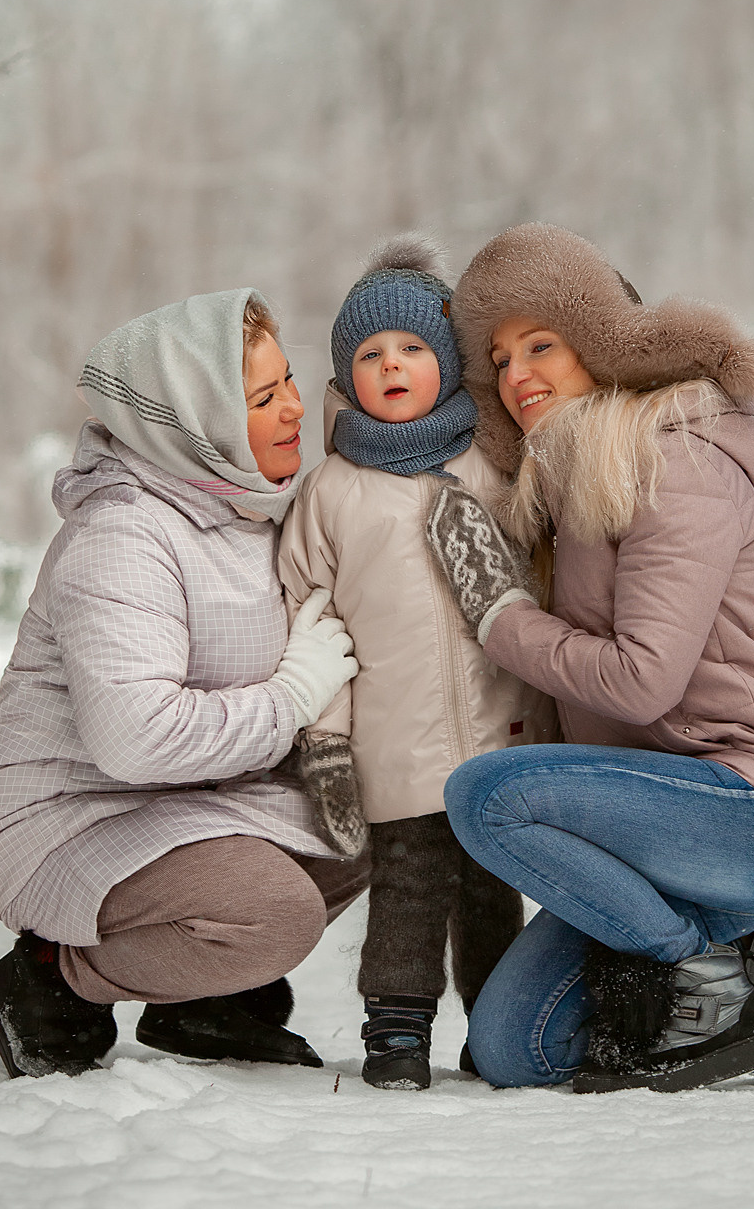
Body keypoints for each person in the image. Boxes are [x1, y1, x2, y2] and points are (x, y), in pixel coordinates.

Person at [426, 223, 754, 1094]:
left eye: (540, 345)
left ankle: (701, 975)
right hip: (655, 830)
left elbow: (640, 678)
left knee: (486, 797)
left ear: (603, 344)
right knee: (517, 1049)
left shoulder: (672, 459)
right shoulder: (565, 485)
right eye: (499, 360)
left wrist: (501, 617)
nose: (516, 377)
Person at [0, 289, 363, 1078]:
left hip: (191, 796)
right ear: (192, 420)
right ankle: (51, 980)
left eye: (288, 383)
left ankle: (202, 1006)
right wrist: (289, 698)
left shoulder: (255, 507)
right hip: (65, 812)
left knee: (367, 820)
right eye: (259, 397)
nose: (293, 411)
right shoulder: (124, 536)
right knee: (273, 913)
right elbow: (135, 737)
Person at [278, 237, 555, 1089]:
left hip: (499, 742)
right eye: (368, 354)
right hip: (394, 751)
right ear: (344, 374)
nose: (391, 365)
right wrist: (325, 743)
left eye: (410, 349)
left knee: (490, 898)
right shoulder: (330, 491)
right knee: (406, 899)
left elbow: (545, 579)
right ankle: (395, 1035)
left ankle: (496, 1033)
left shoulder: (493, 467)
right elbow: (309, 622)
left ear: (445, 362)